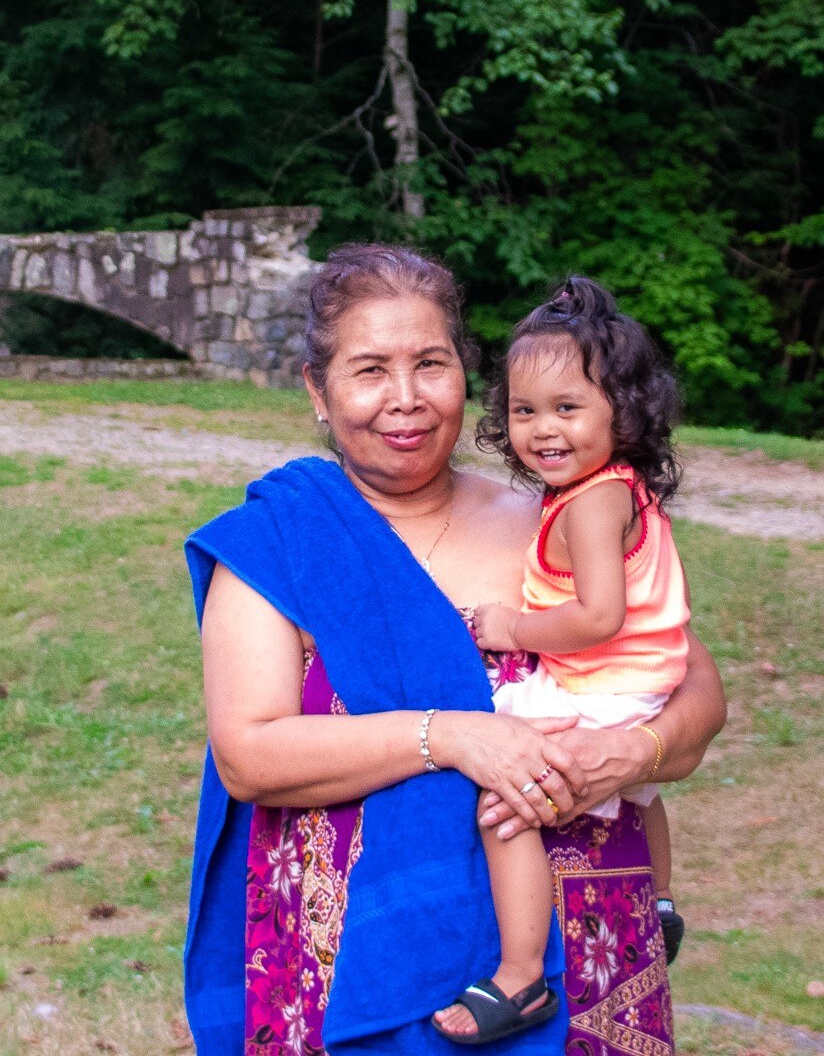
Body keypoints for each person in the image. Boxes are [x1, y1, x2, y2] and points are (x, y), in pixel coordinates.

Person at [183, 243, 726, 1053]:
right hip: (346, 964)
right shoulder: (282, 545)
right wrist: (453, 733)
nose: (404, 399)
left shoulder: (550, 520)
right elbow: (250, 757)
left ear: (466, 375)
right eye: (369, 369)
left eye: (429, 364)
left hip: (580, 956)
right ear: (317, 391)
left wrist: (630, 752)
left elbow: (692, 687)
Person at [432, 277, 691, 1044]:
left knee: (503, 798)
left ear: (625, 410)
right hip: (643, 677)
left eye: (567, 408)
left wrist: (510, 625)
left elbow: (598, 615)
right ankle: (662, 900)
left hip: (609, 678)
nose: (543, 429)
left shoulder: (589, 503)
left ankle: (518, 977)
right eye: (523, 410)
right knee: (638, 791)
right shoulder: (610, 487)